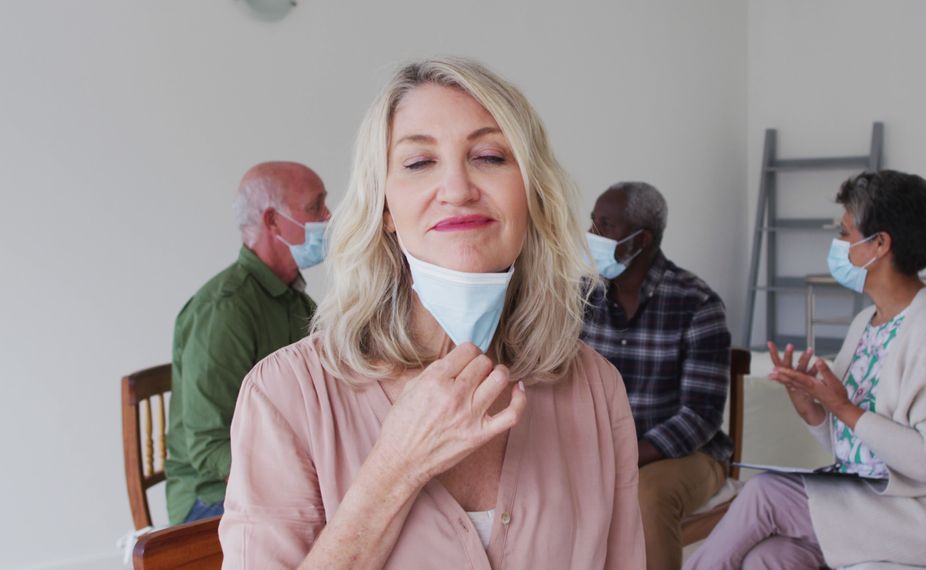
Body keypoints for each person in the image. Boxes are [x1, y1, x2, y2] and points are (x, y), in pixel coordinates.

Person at [218, 58, 646, 569]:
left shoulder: (596, 390)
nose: (458, 188)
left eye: (489, 155)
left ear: (532, 194)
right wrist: (396, 466)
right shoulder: (285, 395)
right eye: (419, 163)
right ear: (384, 209)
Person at [686, 170, 926, 569]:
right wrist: (814, 409)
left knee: (765, 494)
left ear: (880, 245)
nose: (837, 245)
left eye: (844, 233)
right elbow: (857, 449)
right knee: (769, 558)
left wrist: (843, 408)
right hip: (877, 500)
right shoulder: (866, 324)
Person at [165, 161, 330, 525]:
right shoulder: (224, 309)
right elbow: (210, 449)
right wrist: (296, 483)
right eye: (316, 206)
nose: (329, 217)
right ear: (273, 222)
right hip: (210, 499)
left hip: (281, 480)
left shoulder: (297, 302)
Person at [581, 182, 731, 570]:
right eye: (592, 223)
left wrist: (627, 456)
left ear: (640, 240)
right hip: (602, 450)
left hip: (686, 453)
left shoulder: (698, 304)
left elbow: (701, 415)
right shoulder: (579, 297)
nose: (592, 235)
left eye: (605, 225)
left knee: (648, 494)